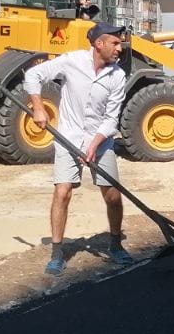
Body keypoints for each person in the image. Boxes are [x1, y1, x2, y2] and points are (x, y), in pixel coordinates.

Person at [24, 20, 131, 275]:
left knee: (113, 195)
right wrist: (38, 107)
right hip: (68, 138)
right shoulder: (72, 61)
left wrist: (94, 145)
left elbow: (111, 118)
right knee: (62, 193)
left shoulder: (118, 76)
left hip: (100, 141)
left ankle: (115, 245)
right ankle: (57, 253)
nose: (120, 49)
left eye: (121, 44)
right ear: (99, 43)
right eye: (115, 43)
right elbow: (32, 75)